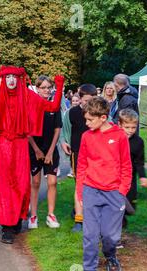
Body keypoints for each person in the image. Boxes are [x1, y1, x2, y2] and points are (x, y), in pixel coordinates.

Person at [0, 65, 64, 243]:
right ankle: (6, 226)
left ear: (19, 79)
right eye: (7, 77)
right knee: (3, 186)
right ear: (2, 78)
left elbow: (54, 107)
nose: (10, 80)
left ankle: (17, 217)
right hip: (0, 146)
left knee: (21, 183)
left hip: (19, 145)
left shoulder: (27, 95)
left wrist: (59, 85)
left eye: (14, 77)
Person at [76, 96, 132, 271]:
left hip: (113, 193)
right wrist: (80, 192)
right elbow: (81, 165)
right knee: (90, 235)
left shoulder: (119, 136)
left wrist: (121, 191)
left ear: (103, 117)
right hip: (91, 190)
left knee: (110, 236)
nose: (86, 123)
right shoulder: (86, 136)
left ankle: (110, 256)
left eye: (90, 119)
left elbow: (126, 166)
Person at [60, 84, 97, 232]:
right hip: (77, 153)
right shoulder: (72, 113)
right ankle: (79, 215)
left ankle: (88, 212)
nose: (89, 104)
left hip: (95, 154)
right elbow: (64, 130)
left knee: (93, 184)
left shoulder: (98, 112)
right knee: (80, 184)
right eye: (86, 100)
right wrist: (64, 142)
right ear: (80, 98)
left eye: (92, 100)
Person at [28, 75, 62, 229]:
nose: (47, 90)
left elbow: (57, 129)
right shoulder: (31, 105)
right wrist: (36, 149)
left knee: (52, 182)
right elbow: (27, 130)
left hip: (50, 150)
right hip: (35, 150)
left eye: (49, 87)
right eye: (43, 88)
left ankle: (51, 214)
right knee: (35, 182)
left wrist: (49, 152)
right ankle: (33, 216)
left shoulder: (55, 106)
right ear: (37, 89)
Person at [118, 109, 147, 231]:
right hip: (114, 177)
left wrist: (142, 176)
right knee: (116, 204)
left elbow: (139, 161)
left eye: (133, 127)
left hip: (130, 178)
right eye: (127, 127)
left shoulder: (138, 142)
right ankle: (117, 226)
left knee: (130, 208)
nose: (130, 130)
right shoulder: (114, 139)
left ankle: (122, 217)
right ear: (120, 125)